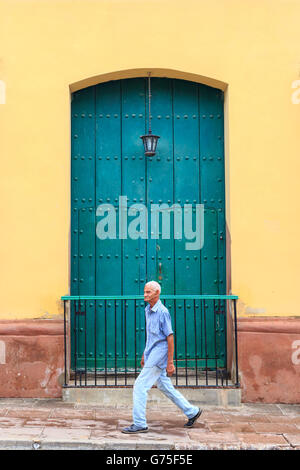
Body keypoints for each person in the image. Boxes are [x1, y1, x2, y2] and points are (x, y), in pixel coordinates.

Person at [122, 280, 202, 434]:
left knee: (139, 386)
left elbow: (169, 337)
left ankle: (139, 424)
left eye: (148, 292)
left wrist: (170, 362)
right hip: (152, 352)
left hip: (160, 353)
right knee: (164, 385)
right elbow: (151, 336)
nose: (145, 295)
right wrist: (145, 354)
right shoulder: (147, 310)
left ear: (157, 293)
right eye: (144, 292)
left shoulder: (163, 311)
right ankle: (192, 411)